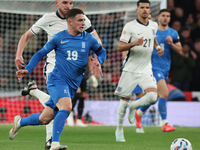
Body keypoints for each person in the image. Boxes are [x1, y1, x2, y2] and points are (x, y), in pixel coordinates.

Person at [9, 8, 107, 150]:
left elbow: (101, 51)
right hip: (56, 80)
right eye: (80, 20)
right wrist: (28, 69)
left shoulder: (89, 38)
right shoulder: (59, 37)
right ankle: (54, 144)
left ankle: (20, 122)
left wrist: (99, 61)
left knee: (45, 118)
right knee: (66, 107)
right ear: (70, 22)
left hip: (72, 85)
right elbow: (40, 53)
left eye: (84, 20)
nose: (83, 23)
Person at [114, 0, 164, 142]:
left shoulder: (154, 25)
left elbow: (152, 39)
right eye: (142, 7)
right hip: (130, 69)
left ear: (149, 10)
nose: (145, 10)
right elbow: (120, 47)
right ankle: (119, 130)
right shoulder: (130, 26)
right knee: (123, 102)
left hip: (146, 69)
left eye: (147, 8)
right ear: (137, 10)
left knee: (153, 97)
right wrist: (134, 43)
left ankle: (133, 107)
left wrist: (158, 47)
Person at [135, 9, 182, 133]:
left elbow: (180, 50)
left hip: (165, 68)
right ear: (159, 17)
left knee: (154, 98)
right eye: (163, 16)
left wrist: (172, 44)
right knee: (165, 93)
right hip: (153, 68)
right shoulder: (152, 31)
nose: (165, 18)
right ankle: (165, 123)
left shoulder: (173, 33)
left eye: (168, 16)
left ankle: (138, 113)